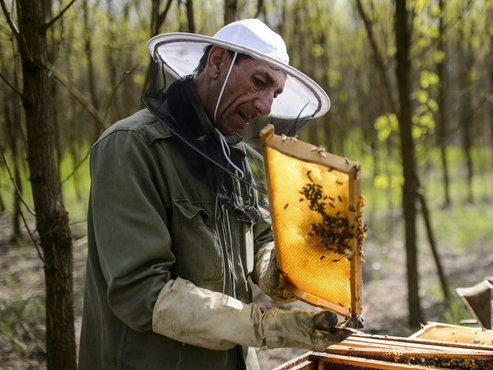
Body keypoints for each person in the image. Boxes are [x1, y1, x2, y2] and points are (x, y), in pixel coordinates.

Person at [78, 19, 360, 370]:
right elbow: (141, 295)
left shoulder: (234, 158)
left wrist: (286, 268)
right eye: (260, 82)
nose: (265, 106)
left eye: (275, 93)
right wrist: (267, 325)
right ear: (217, 63)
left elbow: (262, 239)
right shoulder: (130, 148)